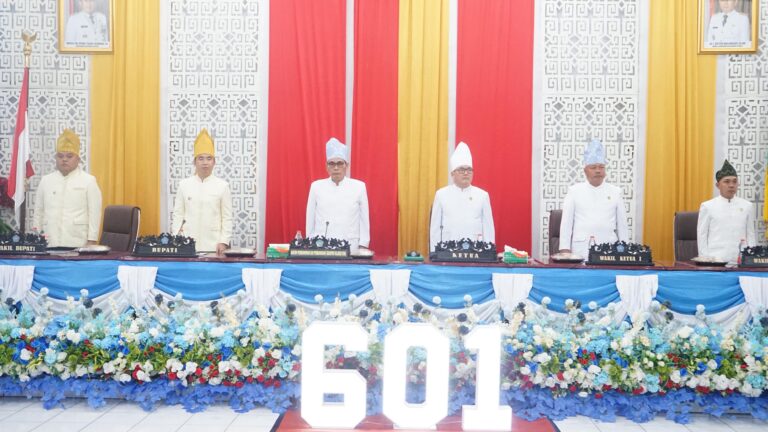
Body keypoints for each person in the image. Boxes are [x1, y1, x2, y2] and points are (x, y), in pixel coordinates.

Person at [558, 139, 629, 259]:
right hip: (581, 250)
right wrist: (565, 250)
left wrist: (625, 249)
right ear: (585, 170)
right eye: (593, 167)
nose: (598, 170)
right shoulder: (574, 191)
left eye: (601, 167)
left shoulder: (616, 192)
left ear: (605, 171)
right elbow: (566, 223)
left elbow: (622, 225)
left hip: (609, 250)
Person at [32, 129, 102, 248]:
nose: (64, 159)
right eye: (60, 156)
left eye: (69, 156)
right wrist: (36, 238)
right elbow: (38, 212)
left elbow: (95, 213)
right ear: (55, 158)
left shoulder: (88, 181)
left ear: (78, 159)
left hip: (78, 242)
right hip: (49, 242)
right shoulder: (46, 181)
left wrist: (92, 240)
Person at [172, 129, 232, 255]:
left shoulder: (223, 186)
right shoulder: (184, 185)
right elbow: (178, 214)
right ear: (195, 161)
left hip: (213, 246)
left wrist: (224, 241)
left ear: (214, 162)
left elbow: (227, 218)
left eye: (209, 158)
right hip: (187, 244)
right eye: (201, 158)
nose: (205, 162)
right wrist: (176, 237)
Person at [305, 137, 370, 252]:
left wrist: (363, 245)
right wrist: (310, 243)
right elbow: (310, 219)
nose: (336, 168)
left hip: (351, 247)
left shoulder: (359, 187)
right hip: (322, 246)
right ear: (327, 166)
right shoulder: (316, 187)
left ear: (346, 166)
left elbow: (364, 219)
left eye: (340, 163)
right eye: (332, 163)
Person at [429, 142, 495, 251]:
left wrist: (489, 253)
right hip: (447, 253)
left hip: (476, 253)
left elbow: (488, 229)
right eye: (461, 170)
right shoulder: (441, 195)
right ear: (452, 174)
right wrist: (435, 254)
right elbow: (435, 229)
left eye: (469, 170)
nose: (466, 173)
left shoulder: (482, 196)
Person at [696, 159, 755, 263]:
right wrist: (705, 261)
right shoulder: (707, 206)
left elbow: (750, 235)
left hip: (741, 260)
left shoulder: (747, 206)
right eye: (726, 181)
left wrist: (752, 258)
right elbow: (702, 236)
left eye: (734, 181)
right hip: (715, 260)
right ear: (718, 185)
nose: (731, 185)